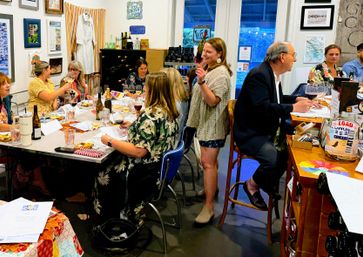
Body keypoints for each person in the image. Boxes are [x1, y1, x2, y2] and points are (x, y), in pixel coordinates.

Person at [234, 42, 320, 210]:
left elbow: (276, 99)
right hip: (250, 133)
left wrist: (295, 99)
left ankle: (266, 182)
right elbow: (263, 107)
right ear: (282, 57)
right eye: (293, 55)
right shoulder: (259, 75)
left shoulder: (271, 74)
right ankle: (251, 185)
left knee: (290, 151)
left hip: (263, 128)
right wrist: (293, 108)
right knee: (273, 157)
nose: (294, 59)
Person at [93, 72, 179, 223]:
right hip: (159, 168)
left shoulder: (150, 115)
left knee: (102, 170)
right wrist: (135, 126)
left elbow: (138, 151)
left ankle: (111, 218)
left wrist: (109, 140)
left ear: (153, 91)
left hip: (143, 173)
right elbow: (156, 134)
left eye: (146, 87)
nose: (144, 90)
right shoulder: (168, 111)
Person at [186, 37, 231, 225]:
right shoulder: (211, 69)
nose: (204, 54)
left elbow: (213, 101)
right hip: (206, 123)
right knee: (209, 163)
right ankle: (210, 189)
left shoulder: (220, 74)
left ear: (219, 54)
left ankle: (209, 207)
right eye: (204, 50)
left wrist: (202, 82)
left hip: (213, 126)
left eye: (209, 52)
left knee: (207, 164)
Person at [161, 67, 189, 142]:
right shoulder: (180, 98)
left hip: (170, 142)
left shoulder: (174, 104)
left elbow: (162, 130)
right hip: (176, 138)